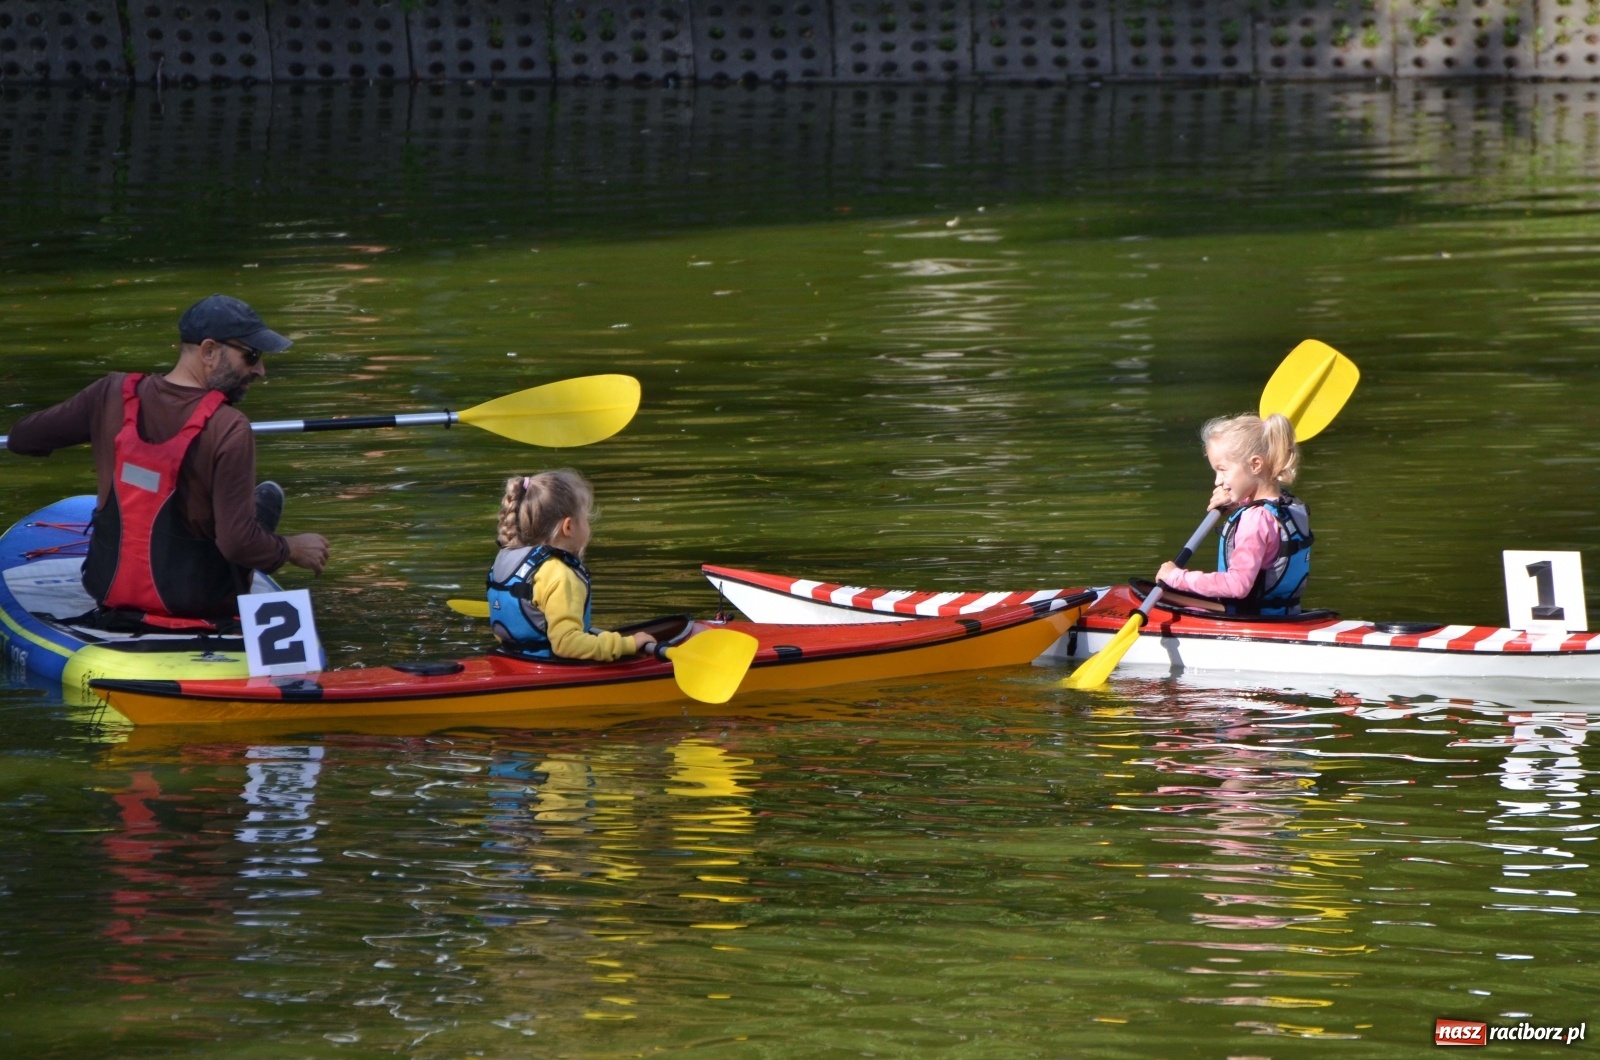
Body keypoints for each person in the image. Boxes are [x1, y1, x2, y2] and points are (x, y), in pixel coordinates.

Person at [6, 294, 329, 628]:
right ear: (208, 351)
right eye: (251, 356)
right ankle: (261, 515)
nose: (260, 370)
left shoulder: (110, 394)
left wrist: (99, 427)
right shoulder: (230, 428)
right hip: (200, 603)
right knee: (257, 513)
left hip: (108, 591)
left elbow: (23, 439)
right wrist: (289, 549)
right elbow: (238, 544)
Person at [486, 469, 657, 660]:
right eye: (585, 518)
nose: (589, 524)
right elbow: (566, 644)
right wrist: (628, 644)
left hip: (512, 660)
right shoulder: (560, 575)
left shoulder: (507, 560)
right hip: (548, 670)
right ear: (568, 527)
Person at [1156, 411, 1313, 616]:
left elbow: (1237, 586)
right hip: (1285, 614)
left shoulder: (1253, 520)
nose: (1217, 481)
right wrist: (1236, 507)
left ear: (1255, 465)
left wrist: (1177, 577)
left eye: (1223, 470)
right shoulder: (1287, 506)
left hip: (1252, 621)